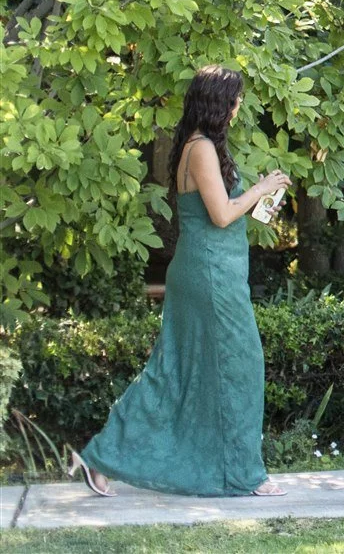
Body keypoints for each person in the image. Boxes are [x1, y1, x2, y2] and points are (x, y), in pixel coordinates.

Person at [73, 66, 291, 498]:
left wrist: (259, 202)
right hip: (210, 275)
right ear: (217, 102)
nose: (239, 105)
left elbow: (223, 212)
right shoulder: (202, 148)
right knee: (239, 368)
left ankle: (101, 457)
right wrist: (261, 187)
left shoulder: (202, 147)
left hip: (214, 271)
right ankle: (246, 475)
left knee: (178, 372)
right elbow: (222, 214)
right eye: (235, 98)